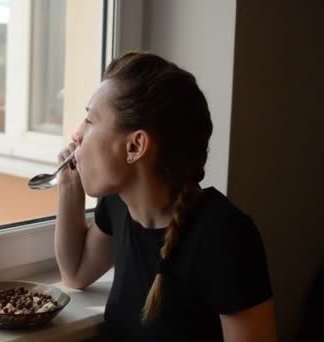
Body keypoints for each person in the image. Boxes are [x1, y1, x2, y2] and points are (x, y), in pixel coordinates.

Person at [55, 52, 276, 341]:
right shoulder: (119, 206)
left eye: (90, 120)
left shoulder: (225, 236)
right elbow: (75, 272)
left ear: (135, 146)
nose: (76, 134)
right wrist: (69, 186)